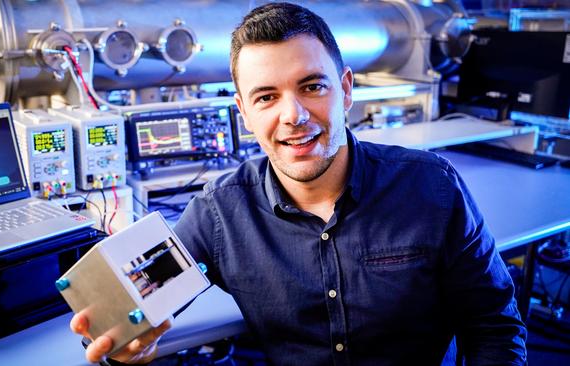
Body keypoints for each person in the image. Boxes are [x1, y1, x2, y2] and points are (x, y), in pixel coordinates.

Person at [71, 2, 527, 365]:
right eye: (266, 96)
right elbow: (142, 300)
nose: (292, 115)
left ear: (346, 90)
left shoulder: (432, 188)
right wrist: (132, 347)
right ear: (244, 115)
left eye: (312, 87)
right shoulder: (219, 215)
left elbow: (494, 326)